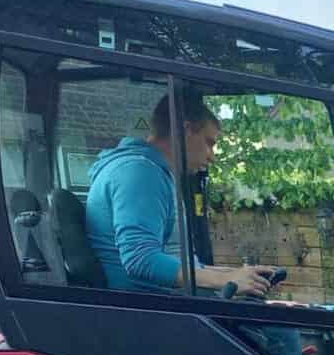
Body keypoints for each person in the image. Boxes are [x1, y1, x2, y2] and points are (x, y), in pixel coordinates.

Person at [85, 91, 272, 298]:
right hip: (156, 310)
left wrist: (238, 275)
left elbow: (176, 259)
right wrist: (224, 280)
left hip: (170, 301)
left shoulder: (150, 171)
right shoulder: (140, 173)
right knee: (280, 328)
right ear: (186, 130)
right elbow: (141, 259)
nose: (213, 157)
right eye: (209, 143)